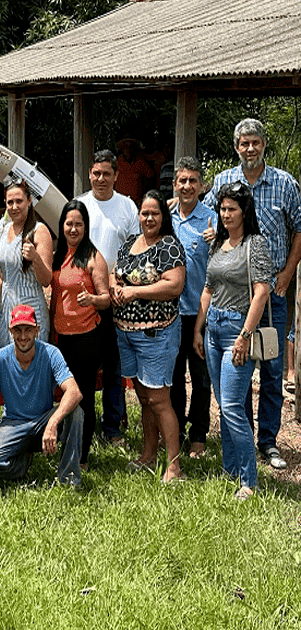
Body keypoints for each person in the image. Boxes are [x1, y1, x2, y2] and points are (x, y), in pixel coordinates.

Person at [201, 118, 301, 470]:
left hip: (271, 291)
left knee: (272, 368)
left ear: (264, 145)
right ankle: (237, 437)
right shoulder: (224, 182)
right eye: (244, 143)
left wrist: (287, 273)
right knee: (236, 372)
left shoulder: (285, 183)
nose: (250, 149)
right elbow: (206, 216)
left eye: (255, 142)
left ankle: (268, 441)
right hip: (231, 294)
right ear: (236, 146)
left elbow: (299, 229)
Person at [194, 182, 273, 500]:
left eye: (232, 209)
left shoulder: (256, 245)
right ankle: (230, 469)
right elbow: (208, 288)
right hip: (213, 329)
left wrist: (244, 337)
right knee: (224, 407)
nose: (226, 214)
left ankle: (249, 481)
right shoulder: (218, 244)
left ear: (244, 212)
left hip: (238, 330)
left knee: (232, 406)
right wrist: (198, 329)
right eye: (223, 208)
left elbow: (262, 292)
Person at [0, 305, 83, 487]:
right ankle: (22, 464)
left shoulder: (51, 354)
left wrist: (52, 422)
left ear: (37, 330)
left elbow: (74, 391)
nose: (23, 336)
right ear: (10, 331)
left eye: (28, 330)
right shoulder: (0, 359)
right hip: (13, 424)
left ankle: (69, 478)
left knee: (76, 412)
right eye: (18, 330)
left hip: (43, 421)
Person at [111, 189, 186, 482]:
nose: (149, 218)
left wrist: (134, 292)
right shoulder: (130, 243)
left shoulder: (169, 246)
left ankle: (174, 465)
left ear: (163, 217)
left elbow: (174, 285)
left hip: (157, 334)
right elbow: (117, 274)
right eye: (144, 213)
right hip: (127, 334)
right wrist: (116, 287)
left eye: (155, 213)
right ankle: (148, 454)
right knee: (144, 397)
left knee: (159, 399)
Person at [78, 149, 141, 447]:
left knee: (115, 366)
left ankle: (112, 428)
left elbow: (133, 250)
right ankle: (81, 423)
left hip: (116, 296)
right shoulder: (79, 205)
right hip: (83, 298)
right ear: (89, 174)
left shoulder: (127, 207)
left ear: (116, 175)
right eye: (96, 173)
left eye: (107, 173)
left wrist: (118, 283)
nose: (101, 179)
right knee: (85, 365)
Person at [50, 199, 110, 467]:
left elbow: (106, 298)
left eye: (78, 224)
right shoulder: (59, 255)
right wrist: (52, 331)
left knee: (83, 396)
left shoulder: (93, 257)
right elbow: (55, 297)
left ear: (86, 227)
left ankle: (82, 456)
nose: (73, 229)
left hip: (87, 338)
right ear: (62, 225)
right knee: (64, 394)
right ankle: (65, 445)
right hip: (62, 338)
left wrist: (93, 300)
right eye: (68, 223)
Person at [169, 157, 217, 458]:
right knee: (173, 378)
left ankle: (198, 435)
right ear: (175, 184)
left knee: (201, 378)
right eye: (182, 181)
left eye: (192, 181)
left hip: (201, 313)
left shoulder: (213, 220)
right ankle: (174, 431)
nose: (187, 186)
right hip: (171, 314)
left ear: (201, 185)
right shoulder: (167, 216)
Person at [0, 177, 52, 347]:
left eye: (19, 201)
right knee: (8, 366)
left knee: (30, 367)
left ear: (29, 200)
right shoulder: (3, 231)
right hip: (7, 313)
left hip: (31, 311)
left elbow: (46, 280)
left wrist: (35, 258)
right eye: (10, 202)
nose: (14, 207)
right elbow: (0, 278)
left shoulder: (39, 231)